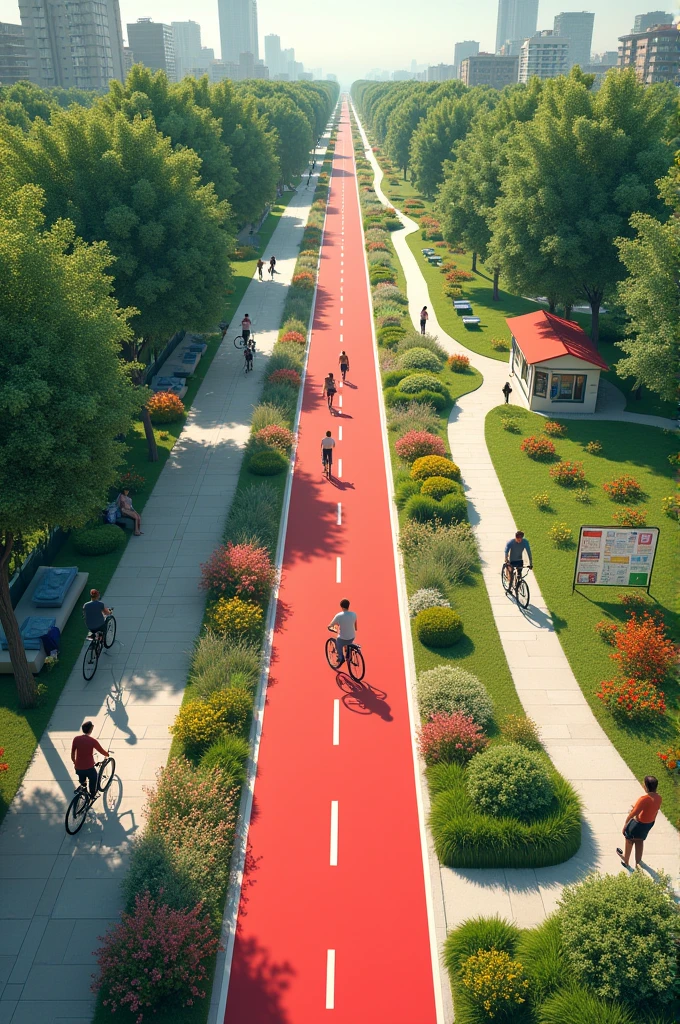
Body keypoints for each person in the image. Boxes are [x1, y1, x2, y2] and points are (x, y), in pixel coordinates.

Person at [617, 776, 662, 869]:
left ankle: (626, 860)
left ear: (646, 787)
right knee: (639, 840)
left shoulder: (644, 799)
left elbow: (633, 814)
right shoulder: (659, 798)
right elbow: (654, 811)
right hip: (649, 824)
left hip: (638, 824)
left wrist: (625, 825)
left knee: (629, 839)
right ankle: (638, 862)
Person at [71, 720, 109, 800]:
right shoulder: (92, 741)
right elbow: (101, 751)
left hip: (78, 768)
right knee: (93, 780)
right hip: (89, 768)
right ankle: (92, 795)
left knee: (82, 780)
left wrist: (75, 763)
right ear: (91, 730)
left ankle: (83, 788)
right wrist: (107, 754)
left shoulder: (76, 739)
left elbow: (72, 754)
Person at [328, 598, 357, 668]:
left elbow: (330, 625)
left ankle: (341, 658)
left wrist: (332, 628)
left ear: (341, 606)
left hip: (342, 639)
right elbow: (355, 627)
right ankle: (348, 653)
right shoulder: (354, 614)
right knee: (349, 642)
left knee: (339, 643)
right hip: (352, 637)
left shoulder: (339, 615)